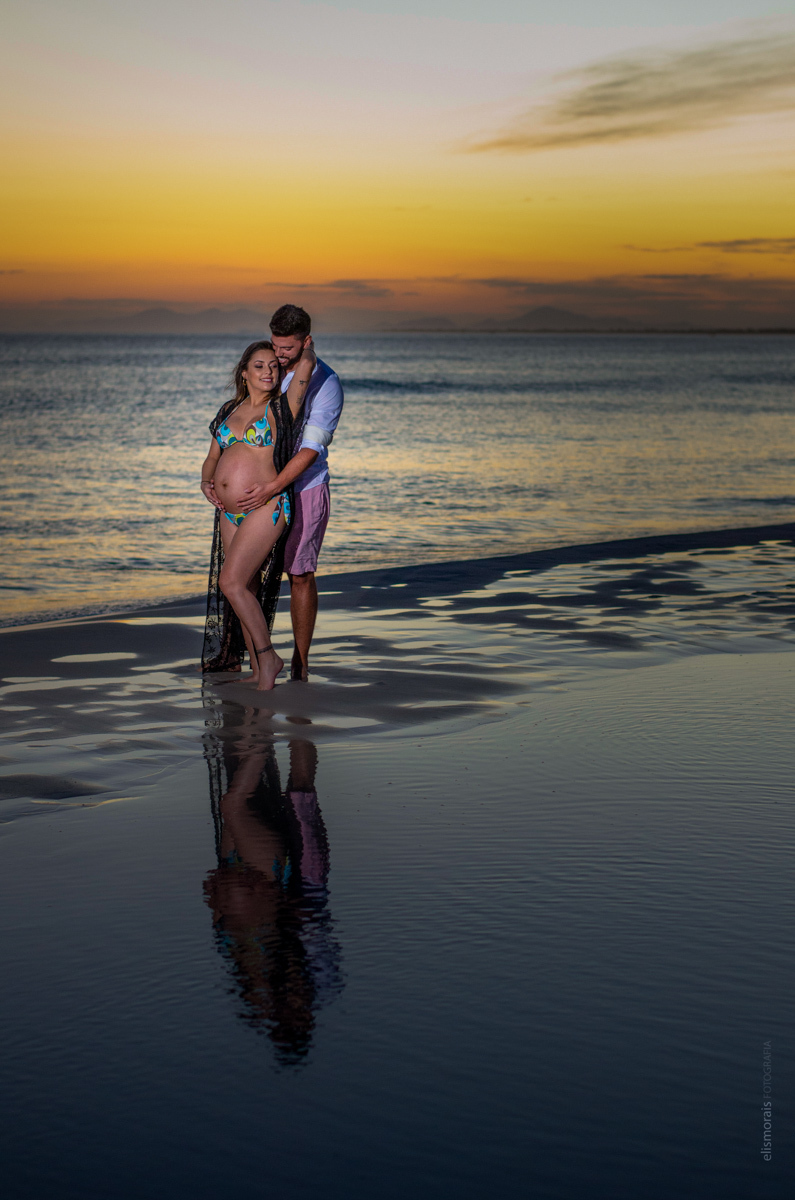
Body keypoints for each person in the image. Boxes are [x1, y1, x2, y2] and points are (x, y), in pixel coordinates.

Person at [233, 305, 344, 681]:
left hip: (305, 488)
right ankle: (256, 657)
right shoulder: (270, 371)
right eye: (276, 347)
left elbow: (310, 449)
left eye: (288, 349)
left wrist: (274, 487)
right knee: (247, 575)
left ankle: (300, 662)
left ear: (307, 342)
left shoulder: (326, 384)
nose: (279, 356)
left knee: (299, 574)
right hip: (263, 491)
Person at [200, 338, 316, 689]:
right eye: (260, 366)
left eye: (274, 366)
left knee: (230, 582)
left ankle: (269, 659)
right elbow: (212, 458)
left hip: (266, 507)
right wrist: (207, 482)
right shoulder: (228, 411)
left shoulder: (282, 408)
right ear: (244, 373)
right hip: (229, 513)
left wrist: (306, 346)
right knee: (244, 586)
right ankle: (256, 670)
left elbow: (306, 368)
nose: (269, 371)